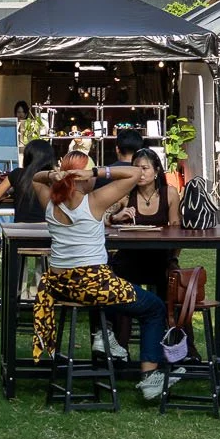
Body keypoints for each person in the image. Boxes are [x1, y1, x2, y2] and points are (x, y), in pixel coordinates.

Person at [29, 152, 174, 399]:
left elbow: (35, 178)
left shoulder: (51, 203)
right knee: (154, 307)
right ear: (82, 178)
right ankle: (150, 376)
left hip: (61, 285)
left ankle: (105, 334)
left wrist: (53, 175)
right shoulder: (93, 201)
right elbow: (135, 173)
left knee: (118, 287)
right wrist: (97, 172)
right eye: (90, 171)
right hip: (93, 285)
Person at [106, 147, 179, 297]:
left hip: (159, 258)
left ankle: (164, 319)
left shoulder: (169, 193)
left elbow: (176, 229)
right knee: (121, 273)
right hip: (130, 257)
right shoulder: (125, 194)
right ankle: (122, 318)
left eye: (145, 168)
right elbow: (100, 217)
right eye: (136, 169)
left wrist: (174, 258)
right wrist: (116, 217)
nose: (140, 173)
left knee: (166, 277)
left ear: (156, 171)